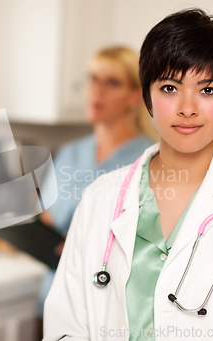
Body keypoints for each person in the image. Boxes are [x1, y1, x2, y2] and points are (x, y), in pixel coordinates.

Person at [43, 8, 213, 341]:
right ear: (147, 94)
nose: (187, 107)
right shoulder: (100, 197)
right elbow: (66, 326)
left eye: (208, 90)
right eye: (169, 87)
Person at [37, 46, 155, 319]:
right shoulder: (69, 153)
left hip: (106, 313)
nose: (96, 91)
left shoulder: (149, 161)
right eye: (92, 79)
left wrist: (85, 247)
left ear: (135, 96)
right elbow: (47, 220)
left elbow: (149, 246)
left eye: (112, 83)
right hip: (53, 301)